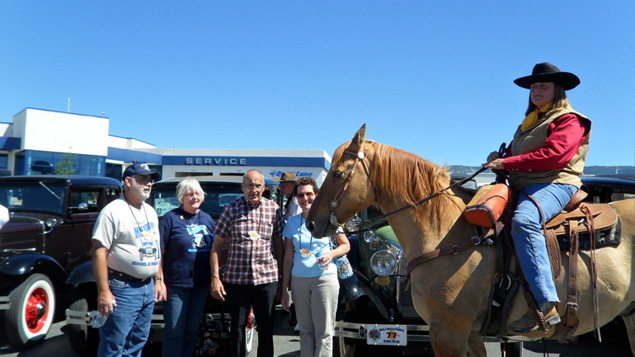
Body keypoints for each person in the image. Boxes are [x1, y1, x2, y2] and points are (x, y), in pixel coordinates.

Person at [483, 62, 591, 333]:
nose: (536, 90)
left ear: (558, 90)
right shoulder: (531, 123)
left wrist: (507, 164)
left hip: (555, 183)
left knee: (524, 222)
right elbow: (517, 158)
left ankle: (545, 305)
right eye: (533, 87)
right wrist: (500, 158)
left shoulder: (569, 119)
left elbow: (556, 156)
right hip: (523, 186)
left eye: (543, 85)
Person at [210, 170, 285, 357]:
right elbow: (216, 246)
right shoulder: (231, 209)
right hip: (237, 281)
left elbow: (279, 245)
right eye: (249, 185)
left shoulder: (274, 209)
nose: (254, 189)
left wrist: (283, 279)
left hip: (267, 280)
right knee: (236, 330)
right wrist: (216, 278)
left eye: (258, 185)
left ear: (264, 187)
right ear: (242, 187)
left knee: (266, 330)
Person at [91, 162, 162, 356]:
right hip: (123, 289)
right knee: (114, 344)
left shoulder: (150, 211)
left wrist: (158, 279)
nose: (148, 184)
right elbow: (98, 252)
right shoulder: (112, 211)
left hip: (147, 288)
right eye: (143, 179)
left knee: (137, 342)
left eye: (150, 180)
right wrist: (104, 291)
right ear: (128, 182)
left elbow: (156, 248)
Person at [280, 177, 350, 357]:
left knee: (325, 333)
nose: (305, 198)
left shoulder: (329, 219)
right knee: (305, 330)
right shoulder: (292, 223)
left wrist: (332, 254)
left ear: (316, 195)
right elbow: (288, 258)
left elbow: (345, 245)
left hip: (324, 279)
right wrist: (283, 291)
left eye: (309, 194)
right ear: (296, 198)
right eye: (301, 195)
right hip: (299, 281)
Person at [155, 177, 215, 357]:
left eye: (197, 193)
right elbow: (160, 252)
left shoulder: (207, 219)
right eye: (189, 194)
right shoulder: (169, 219)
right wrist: (159, 280)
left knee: (191, 331)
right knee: (174, 332)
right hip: (176, 286)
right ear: (181, 197)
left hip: (200, 285)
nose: (194, 197)